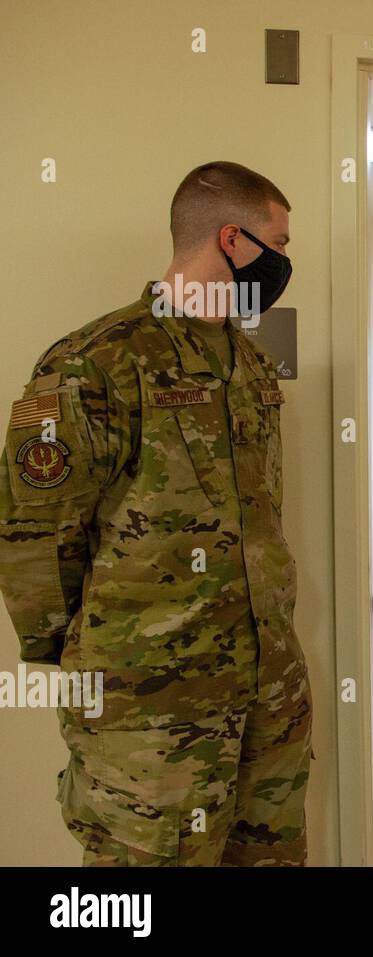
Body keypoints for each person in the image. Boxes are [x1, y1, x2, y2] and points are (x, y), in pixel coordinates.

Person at [0, 161, 312, 865]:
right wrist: (96, 662)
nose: (288, 260)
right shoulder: (88, 363)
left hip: (269, 696)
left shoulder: (252, 364)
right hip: (150, 716)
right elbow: (31, 536)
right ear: (232, 240)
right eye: (281, 242)